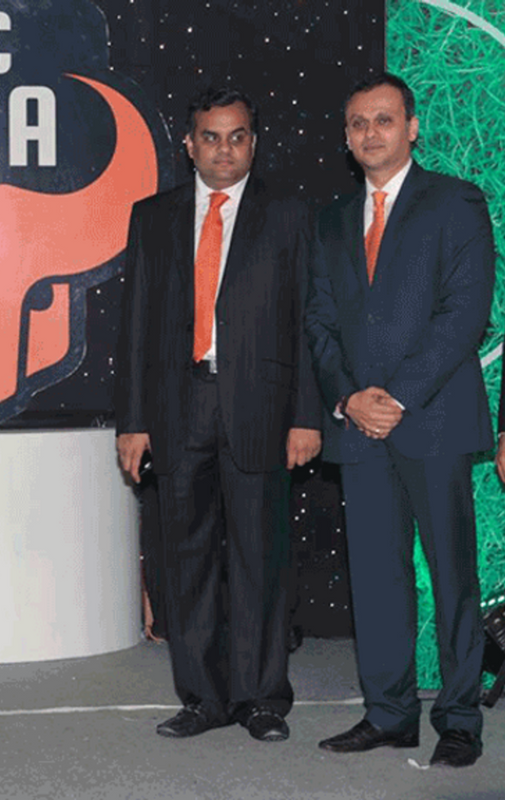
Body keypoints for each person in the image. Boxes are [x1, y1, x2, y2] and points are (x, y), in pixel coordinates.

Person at [115, 87, 321, 743]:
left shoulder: (288, 215)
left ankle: (262, 699)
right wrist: (132, 421)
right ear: (189, 144)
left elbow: (308, 321)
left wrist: (307, 415)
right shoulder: (153, 218)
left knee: (261, 557)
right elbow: (136, 327)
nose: (224, 149)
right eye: (211, 136)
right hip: (178, 408)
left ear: (253, 144)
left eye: (237, 136)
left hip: (263, 409)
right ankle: (202, 698)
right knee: (188, 560)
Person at [306, 73, 494, 768]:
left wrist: (396, 398)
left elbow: (465, 312)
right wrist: (349, 398)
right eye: (358, 123)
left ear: (412, 127)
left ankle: (459, 719)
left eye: (384, 119)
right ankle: (388, 714)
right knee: (377, 579)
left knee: (452, 576)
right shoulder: (330, 220)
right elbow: (318, 320)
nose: (370, 133)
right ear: (346, 136)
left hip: (433, 419)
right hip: (358, 426)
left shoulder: (456, 201)